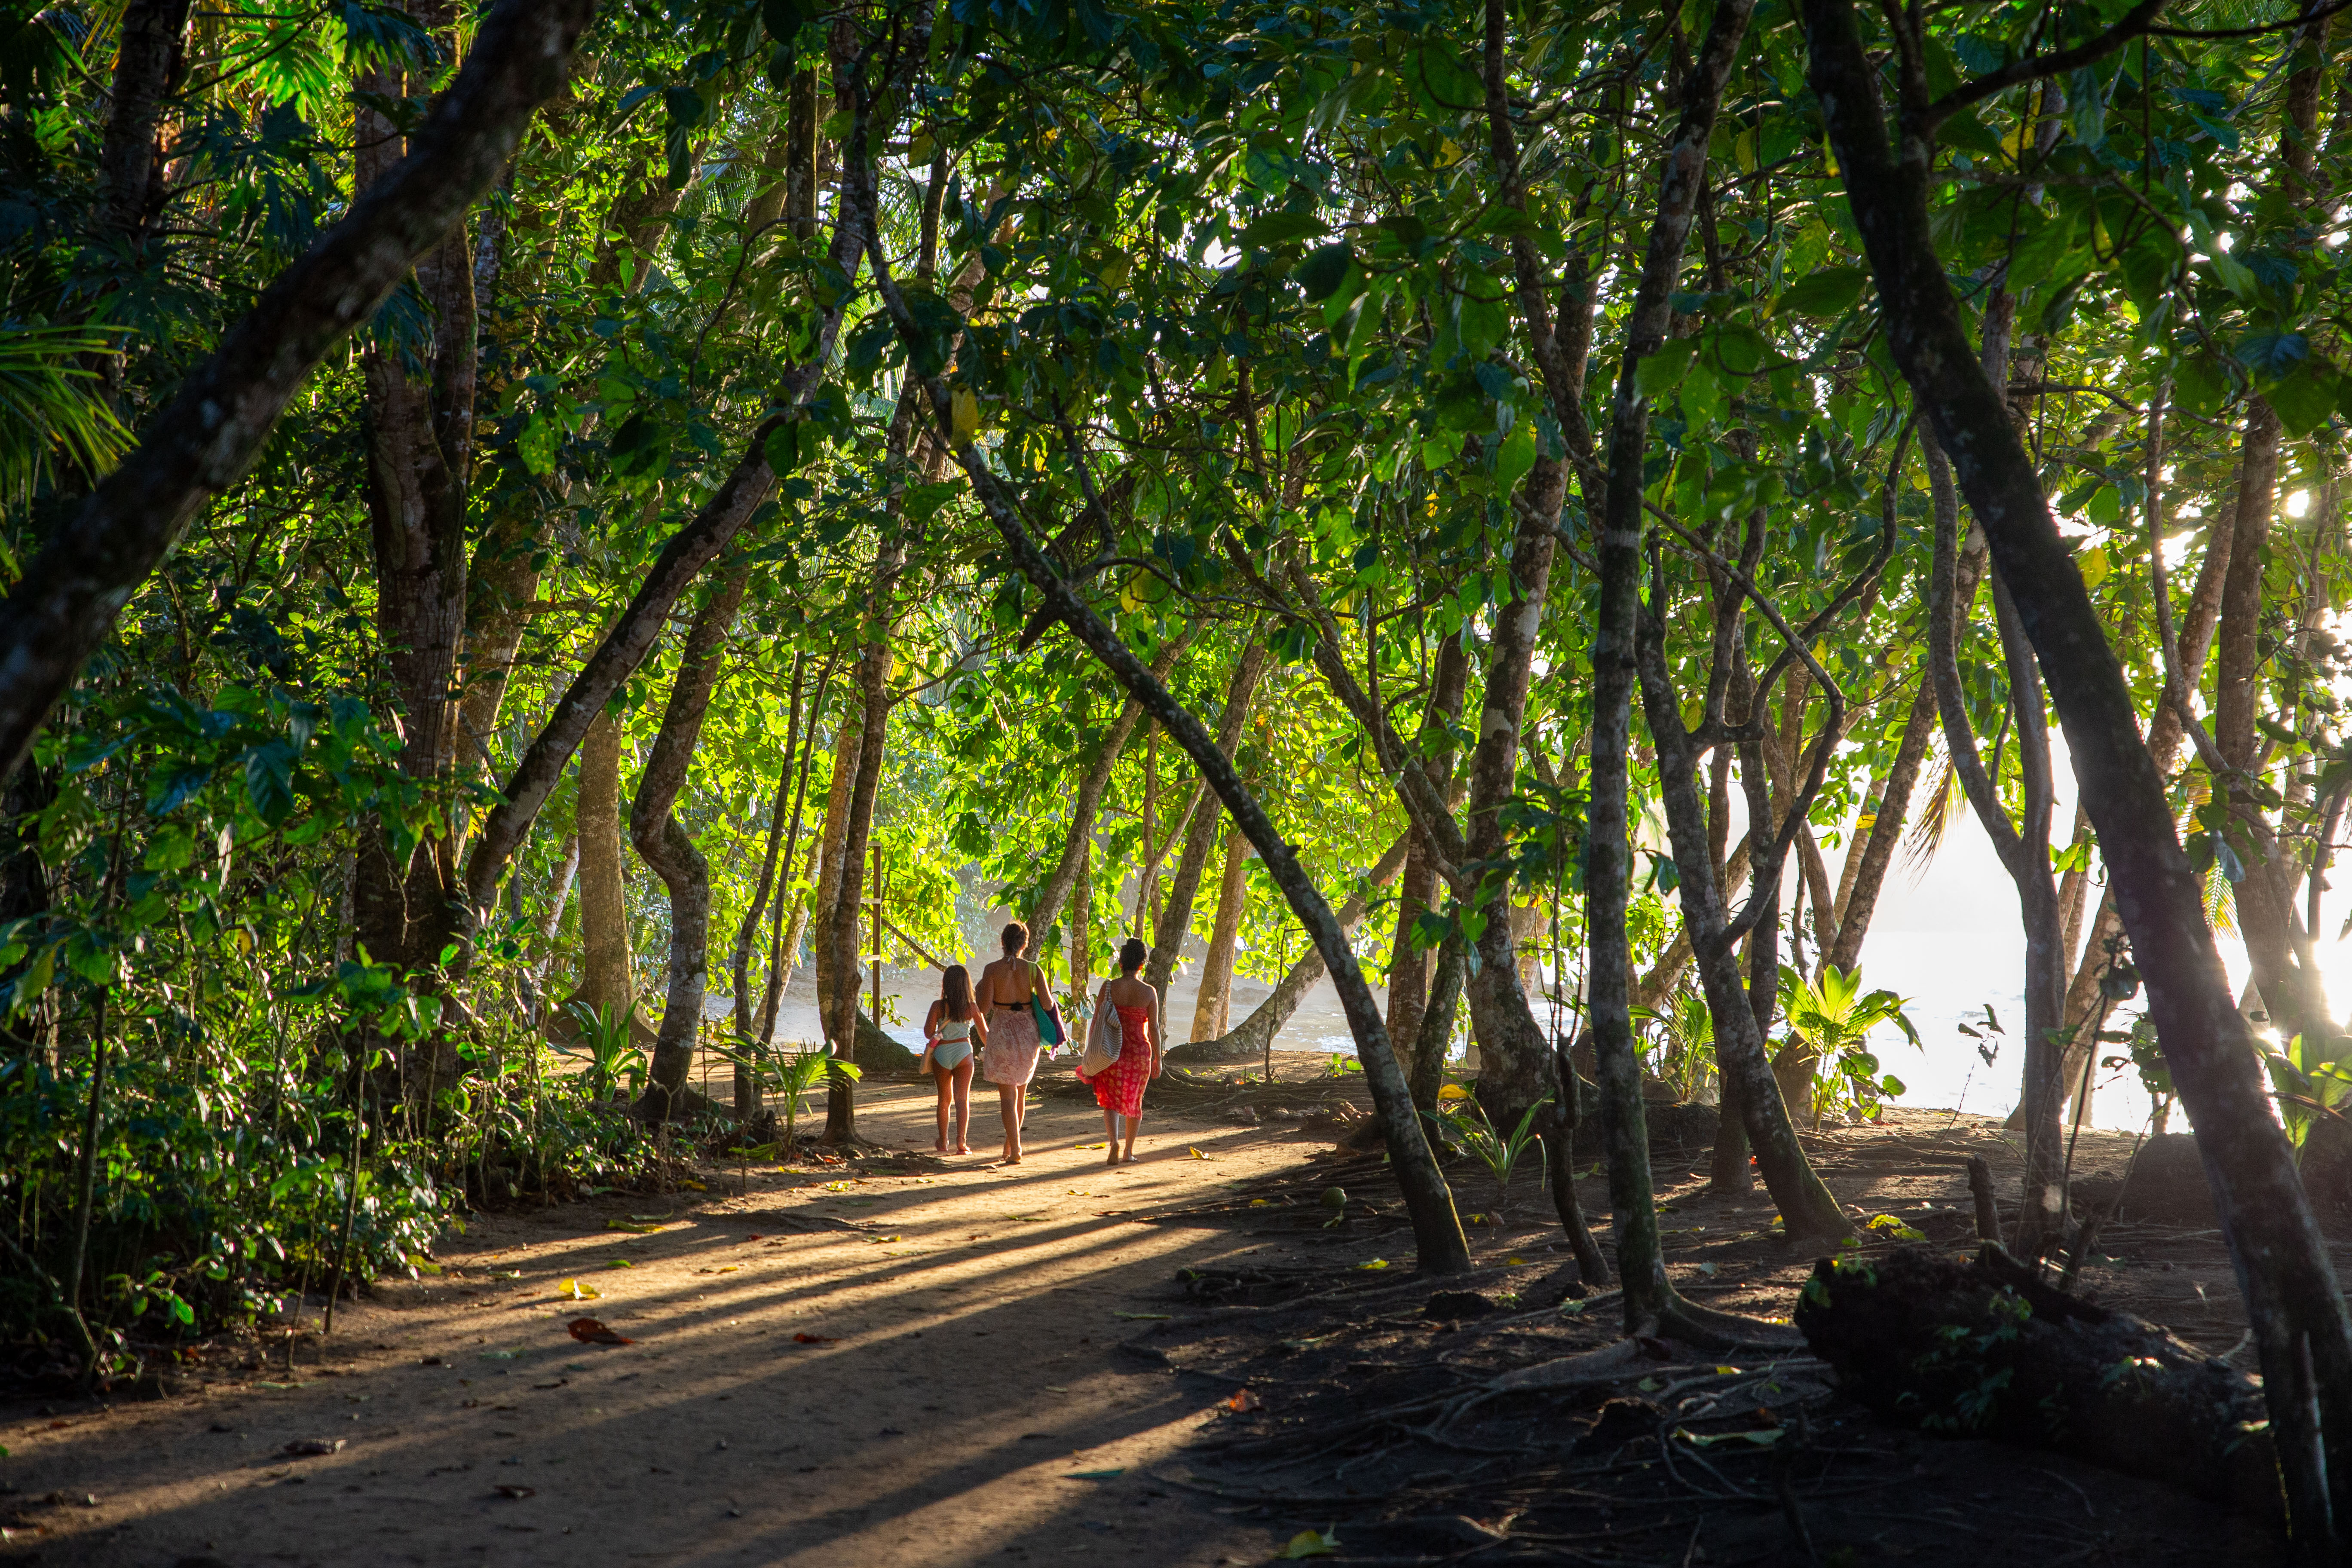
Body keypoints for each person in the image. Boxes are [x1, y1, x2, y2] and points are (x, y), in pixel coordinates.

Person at [975, 922, 1066, 1164]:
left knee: (1007, 1096)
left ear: (1002, 943)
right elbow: (1047, 1005)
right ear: (1025, 944)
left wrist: (981, 992)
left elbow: (984, 1008)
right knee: (1021, 1093)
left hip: (1002, 1030)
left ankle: (1015, 1149)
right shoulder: (1034, 970)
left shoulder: (991, 969)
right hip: (1028, 1033)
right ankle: (1010, 1147)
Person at [1084, 937, 1161, 1166]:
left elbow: (1097, 1021)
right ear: (1141, 965)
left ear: (1120, 964)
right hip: (1139, 1053)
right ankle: (1128, 1151)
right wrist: (1159, 1057)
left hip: (1111, 1053)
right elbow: (1154, 1028)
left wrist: (1091, 1051)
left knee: (1111, 1101)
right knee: (1135, 1102)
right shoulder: (1149, 992)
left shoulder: (1109, 987)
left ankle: (1113, 1142)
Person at [920, 965, 987, 1155]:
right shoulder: (972, 1007)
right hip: (964, 1053)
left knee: (944, 1099)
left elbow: (927, 1033)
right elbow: (984, 1034)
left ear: (945, 985)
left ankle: (943, 1141)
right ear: (967, 985)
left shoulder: (938, 1006)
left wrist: (940, 1031)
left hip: (942, 1053)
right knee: (962, 1098)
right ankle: (961, 1142)